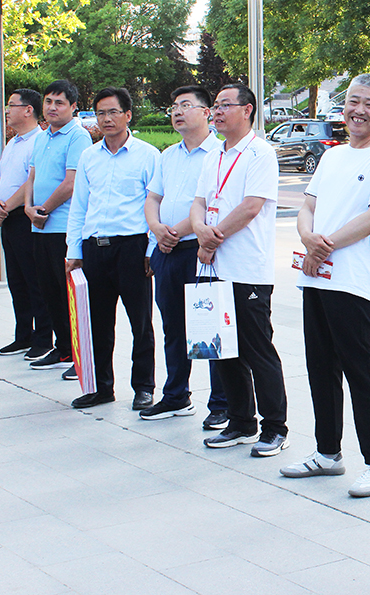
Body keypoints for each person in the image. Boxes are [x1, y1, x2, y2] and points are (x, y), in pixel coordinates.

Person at [279, 73, 370, 497]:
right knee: (320, 367)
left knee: (361, 370)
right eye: (352, 101)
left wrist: (323, 246)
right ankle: (327, 453)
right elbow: (307, 207)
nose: (358, 110)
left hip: (352, 282)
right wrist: (308, 239)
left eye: (369, 103)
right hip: (315, 278)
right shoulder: (332, 156)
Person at [191, 83, 290, 457]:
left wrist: (211, 237)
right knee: (222, 350)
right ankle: (240, 422)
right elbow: (199, 202)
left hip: (247, 269)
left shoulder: (260, 153)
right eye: (215, 105)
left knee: (256, 349)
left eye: (224, 105)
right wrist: (200, 230)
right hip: (212, 267)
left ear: (247, 110)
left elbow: (251, 207)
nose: (216, 112)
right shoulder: (214, 154)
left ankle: (275, 428)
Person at [138, 85, 228, 429]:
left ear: (206, 112)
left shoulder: (219, 153)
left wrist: (173, 231)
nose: (177, 111)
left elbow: (211, 205)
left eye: (185, 105)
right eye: (174, 106)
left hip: (200, 252)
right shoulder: (168, 156)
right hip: (166, 251)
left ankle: (221, 403)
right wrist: (156, 230)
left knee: (209, 329)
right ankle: (176, 395)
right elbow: (153, 198)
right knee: (173, 327)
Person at [65, 87, 158, 411]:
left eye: (113, 112)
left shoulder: (148, 155)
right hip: (95, 248)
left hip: (132, 247)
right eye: (101, 113)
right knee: (97, 324)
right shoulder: (89, 157)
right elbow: (79, 206)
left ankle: (144, 387)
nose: (106, 119)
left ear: (128, 115)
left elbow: (155, 205)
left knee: (140, 323)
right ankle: (101, 387)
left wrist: (151, 248)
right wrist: (74, 250)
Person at [23, 80, 93, 379]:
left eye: (60, 102)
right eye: (49, 101)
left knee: (69, 296)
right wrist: (29, 208)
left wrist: (44, 210)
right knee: (49, 291)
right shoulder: (42, 137)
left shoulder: (77, 136)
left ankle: (79, 356)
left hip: (62, 228)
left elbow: (71, 182)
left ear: (73, 107)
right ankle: (62, 348)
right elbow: (32, 176)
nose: (52, 107)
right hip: (39, 227)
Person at [0, 89, 52, 359]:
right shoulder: (13, 143)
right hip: (7, 218)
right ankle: (23, 335)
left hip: (24, 218)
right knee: (16, 280)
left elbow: (31, 181)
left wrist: (6, 208)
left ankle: (44, 338)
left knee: (34, 279)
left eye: (11, 105)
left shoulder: (39, 141)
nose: (7, 110)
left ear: (28, 110)